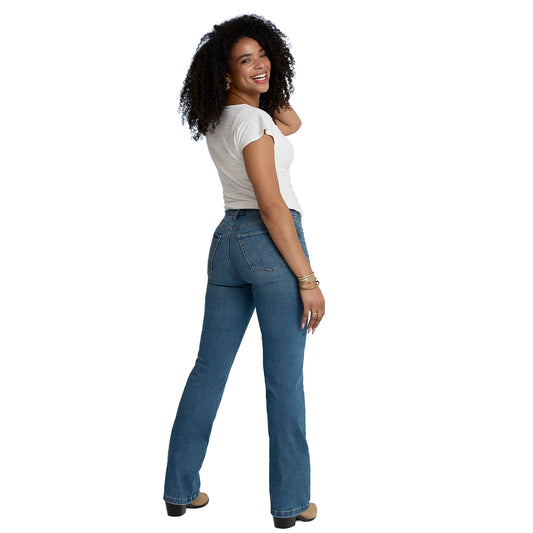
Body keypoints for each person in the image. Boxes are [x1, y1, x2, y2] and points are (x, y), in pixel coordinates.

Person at [163, 14, 325, 529]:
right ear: (224, 73)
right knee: (284, 380)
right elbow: (272, 205)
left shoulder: (225, 116)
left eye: (264, 55)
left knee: (208, 370)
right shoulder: (252, 124)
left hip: (227, 243)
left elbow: (292, 122)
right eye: (245, 60)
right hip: (269, 241)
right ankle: (290, 503)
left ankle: (178, 489)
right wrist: (308, 279)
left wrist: (260, 82)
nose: (260, 65)